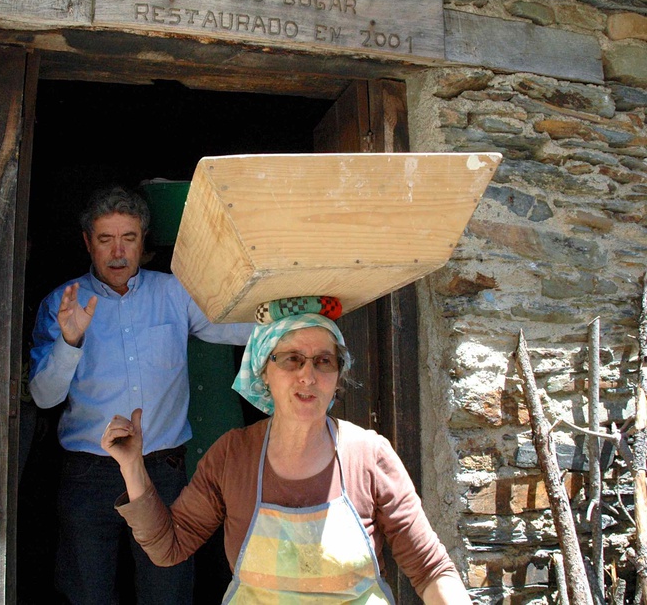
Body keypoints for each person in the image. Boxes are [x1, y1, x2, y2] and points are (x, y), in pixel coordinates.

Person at [100, 308, 473, 604]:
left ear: (338, 376)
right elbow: (169, 547)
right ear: (264, 371)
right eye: (292, 359)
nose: (308, 376)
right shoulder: (233, 455)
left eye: (323, 361)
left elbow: (431, 571)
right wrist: (132, 466)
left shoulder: (369, 455)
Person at [28, 185, 253, 605]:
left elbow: (238, 328)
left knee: (167, 591)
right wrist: (70, 341)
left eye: (128, 238)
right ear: (87, 242)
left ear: (142, 241)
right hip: (89, 474)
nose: (118, 252)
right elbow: (43, 397)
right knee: (87, 595)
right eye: (105, 239)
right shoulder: (63, 303)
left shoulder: (174, 293)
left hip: (161, 472)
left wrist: (297, 312)